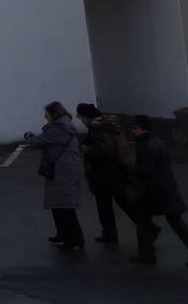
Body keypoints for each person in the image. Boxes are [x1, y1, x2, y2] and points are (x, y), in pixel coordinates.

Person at [128, 115, 188, 268]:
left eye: (133, 128)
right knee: (176, 223)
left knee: (143, 221)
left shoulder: (146, 146)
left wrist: (130, 169)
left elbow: (146, 171)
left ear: (140, 128)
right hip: (165, 189)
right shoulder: (156, 142)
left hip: (152, 191)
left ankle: (146, 255)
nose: (132, 131)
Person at [26, 101, 85, 251]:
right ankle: (64, 235)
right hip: (63, 169)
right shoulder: (63, 126)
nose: (45, 118)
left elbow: (40, 141)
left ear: (53, 114)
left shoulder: (59, 128)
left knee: (64, 207)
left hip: (62, 171)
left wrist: (29, 137)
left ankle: (74, 238)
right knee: (59, 205)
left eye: (47, 115)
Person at [76, 102, 133, 244]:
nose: (80, 120)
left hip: (105, 174)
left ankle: (111, 233)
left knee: (109, 206)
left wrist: (87, 149)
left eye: (81, 117)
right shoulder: (103, 127)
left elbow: (105, 150)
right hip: (112, 173)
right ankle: (110, 233)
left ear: (86, 116)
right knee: (120, 204)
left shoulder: (98, 129)